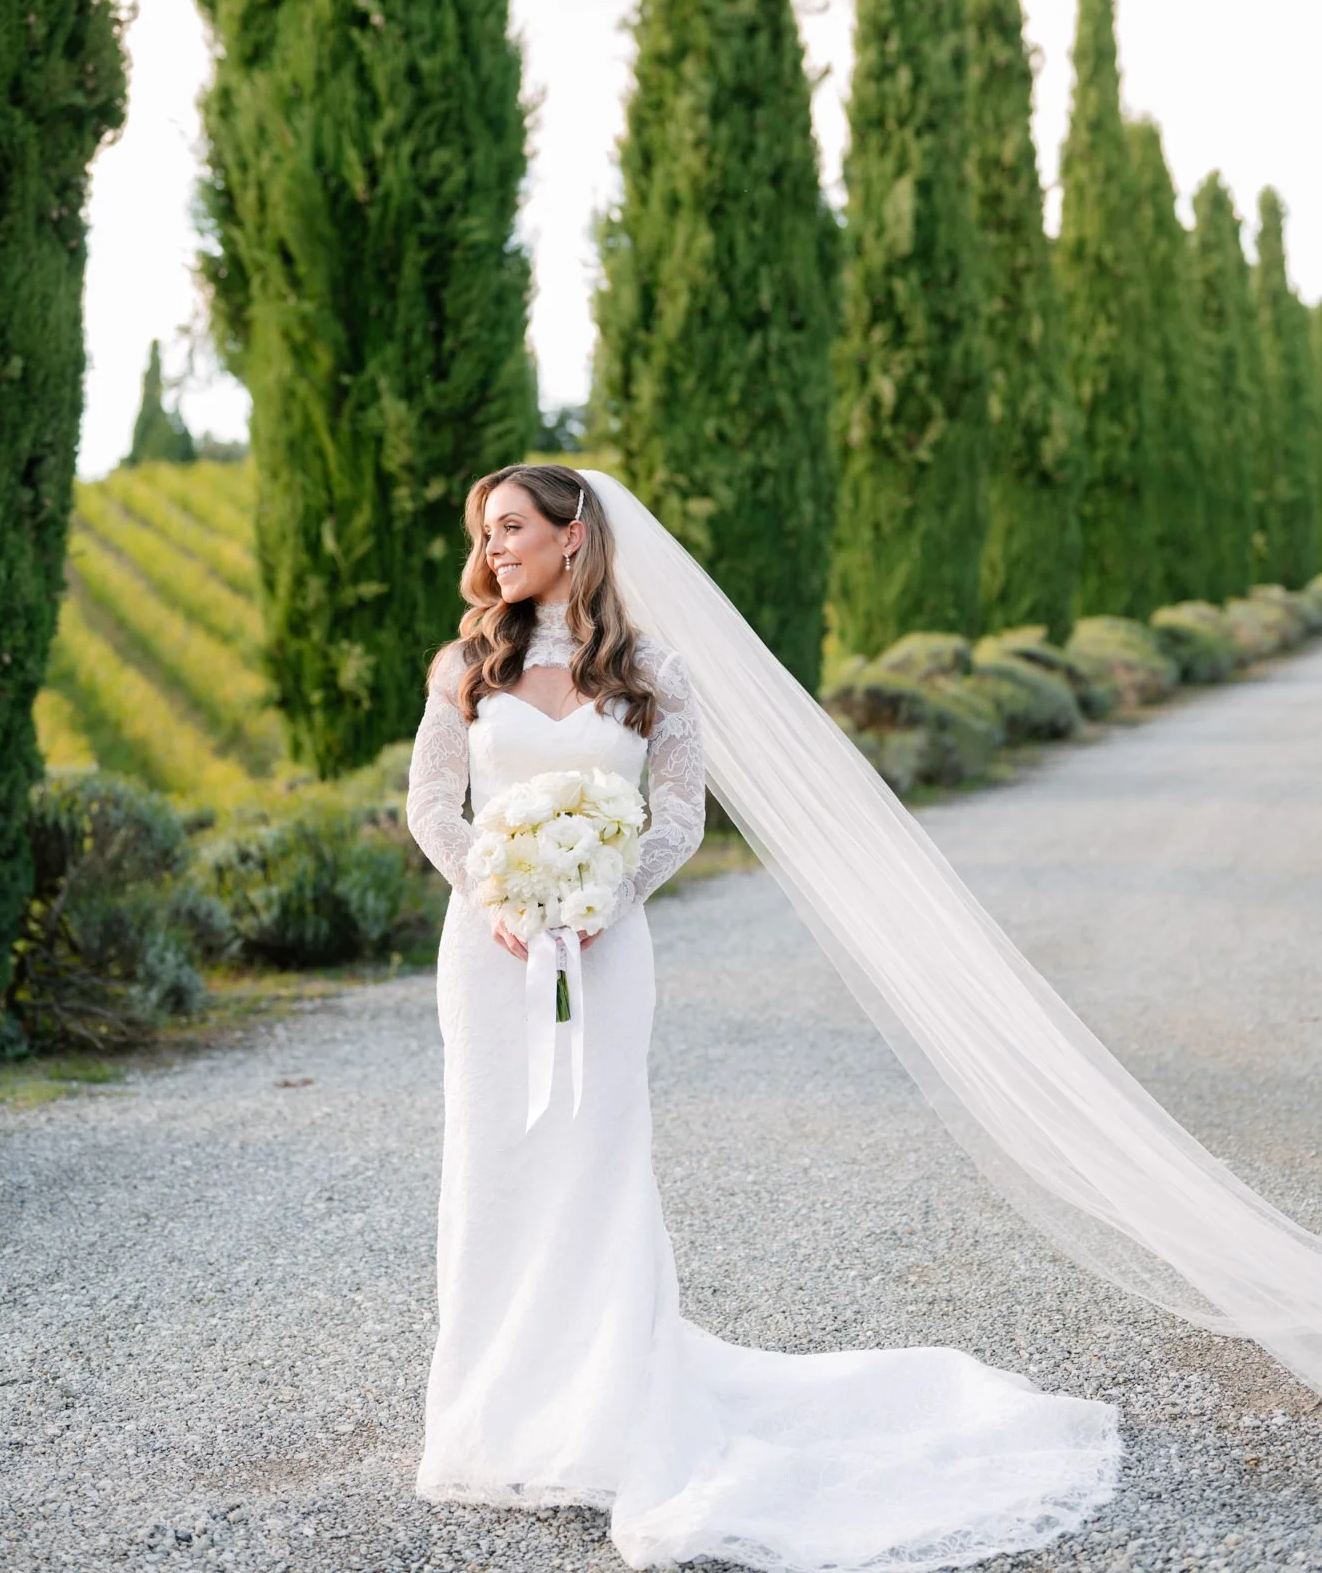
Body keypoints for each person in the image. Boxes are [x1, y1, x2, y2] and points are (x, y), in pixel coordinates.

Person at [406, 462, 1121, 1572]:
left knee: (597, 1160)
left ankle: (604, 1411)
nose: (493, 547)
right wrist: (497, 895)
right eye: (484, 532)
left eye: (511, 525)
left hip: (605, 945)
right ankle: (494, 1414)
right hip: (488, 954)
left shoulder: (651, 669)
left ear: (572, 533)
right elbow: (431, 804)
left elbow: (681, 813)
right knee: (492, 1158)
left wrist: (601, 898)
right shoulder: (466, 663)